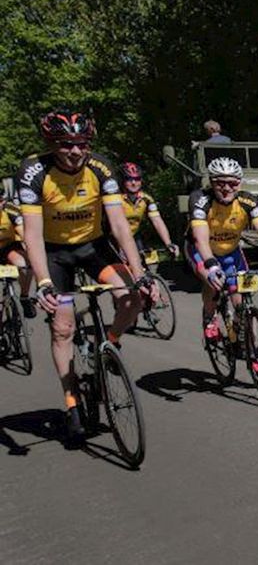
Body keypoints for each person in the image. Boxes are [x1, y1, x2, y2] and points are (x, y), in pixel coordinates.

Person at [18, 108, 157, 442]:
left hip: (93, 247)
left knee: (133, 297)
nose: (76, 151)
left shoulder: (101, 166)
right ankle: (71, 400)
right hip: (54, 253)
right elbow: (33, 235)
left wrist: (141, 275)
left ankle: (110, 342)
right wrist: (44, 282)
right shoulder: (33, 171)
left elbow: (121, 226)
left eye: (82, 143)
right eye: (66, 144)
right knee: (63, 325)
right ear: (51, 143)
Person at [185, 157, 258, 375]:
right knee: (213, 282)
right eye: (220, 183)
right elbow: (201, 238)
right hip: (201, 250)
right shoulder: (200, 199)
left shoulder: (247, 201)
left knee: (243, 304)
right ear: (211, 182)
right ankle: (209, 317)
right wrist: (212, 265)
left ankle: (250, 352)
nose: (226, 188)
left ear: (240, 184)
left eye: (232, 183)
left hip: (231, 252)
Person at [118, 162, 180, 261]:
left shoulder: (147, 199)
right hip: (114, 237)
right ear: (122, 181)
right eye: (129, 179)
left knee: (142, 264)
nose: (134, 183)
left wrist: (168, 243)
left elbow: (157, 221)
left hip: (133, 236)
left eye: (137, 179)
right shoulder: (115, 199)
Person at [0, 190, 36, 318]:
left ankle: (24, 297)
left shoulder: (10, 210)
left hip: (7, 247)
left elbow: (25, 235)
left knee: (26, 263)